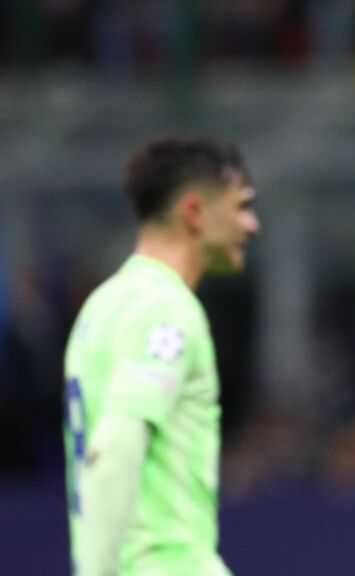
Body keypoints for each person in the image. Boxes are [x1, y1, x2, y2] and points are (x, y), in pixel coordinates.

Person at [63, 135, 260, 575]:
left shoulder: (102, 307)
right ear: (194, 212)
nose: (252, 225)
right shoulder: (166, 310)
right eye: (241, 206)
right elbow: (114, 445)